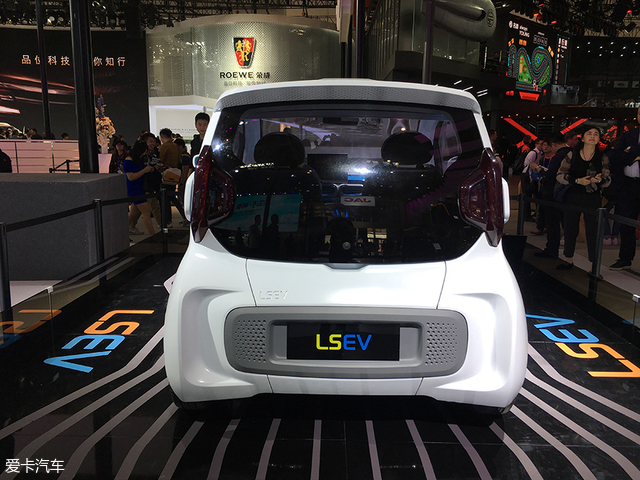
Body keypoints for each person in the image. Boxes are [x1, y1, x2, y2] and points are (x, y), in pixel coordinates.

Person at [555, 126, 611, 271]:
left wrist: (600, 180)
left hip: (592, 197)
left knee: (592, 230)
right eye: (589, 133)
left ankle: (593, 265)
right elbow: (560, 175)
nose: (592, 136)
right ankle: (568, 259)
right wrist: (577, 180)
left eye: (596, 134)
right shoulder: (572, 154)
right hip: (573, 195)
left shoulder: (602, 156)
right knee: (570, 227)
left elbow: (607, 179)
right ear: (583, 137)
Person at [608, 106, 640, 270]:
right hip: (627, 185)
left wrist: (630, 151)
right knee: (626, 222)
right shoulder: (630, 134)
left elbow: (625, 153)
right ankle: (625, 258)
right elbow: (614, 156)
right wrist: (634, 155)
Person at [534, 132, 573, 259]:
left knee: (552, 224)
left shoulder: (558, 156)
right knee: (567, 224)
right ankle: (568, 255)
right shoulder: (573, 153)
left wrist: (538, 170)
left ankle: (551, 250)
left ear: (553, 145)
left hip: (552, 194)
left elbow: (550, 177)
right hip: (567, 193)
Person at [124, 140, 156, 236]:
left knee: (133, 213)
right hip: (134, 189)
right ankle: (153, 235)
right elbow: (131, 177)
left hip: (140, 187)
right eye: (144, 151)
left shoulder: (139, 159)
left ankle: (122, 231)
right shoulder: (129, 160)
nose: (145, 153)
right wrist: (144, 170)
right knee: (146, 212)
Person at [530, 139, 554, 235]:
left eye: (548, 145)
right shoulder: (542, 158)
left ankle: (547, 227)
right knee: (541, 207)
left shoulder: (554, 158)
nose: (546, 147)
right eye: (544, 145)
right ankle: (540, 226)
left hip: (551, 186)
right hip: (541, 184)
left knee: (549, 209)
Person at [522, 137, 544, 221]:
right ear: (536, 144)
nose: (542, 146)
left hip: (532, 175)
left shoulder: (539, 153)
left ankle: (533, 212)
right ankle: (526, 215)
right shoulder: (533, 153)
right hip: (528, 175)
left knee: (533, 194)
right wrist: (531, 176)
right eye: (540, 144)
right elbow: (529, 165)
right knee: (527, 194)